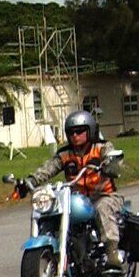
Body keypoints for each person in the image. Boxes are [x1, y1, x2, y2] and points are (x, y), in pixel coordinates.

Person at [30, 108, 125, 267]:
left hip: (104, 195)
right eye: (72, 132)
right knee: (53, 213)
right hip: (77, 199)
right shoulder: (65, 154)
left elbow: (115, 161)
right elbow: (48, 168)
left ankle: (112, 253)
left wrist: (108, 164)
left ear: (90, 131)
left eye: (80, 131)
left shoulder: (101, 147)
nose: (75, 135)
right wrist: (30, 181)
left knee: (101, 208)